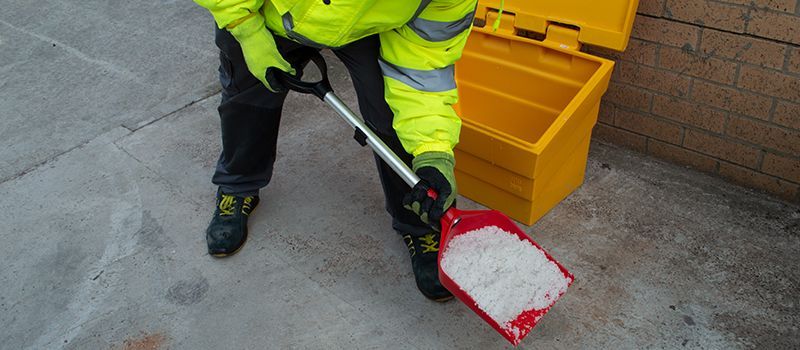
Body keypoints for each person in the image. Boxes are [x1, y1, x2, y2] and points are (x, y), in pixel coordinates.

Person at [194, 0, 477, 302]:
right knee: (247, 97)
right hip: (268, 13)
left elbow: (423, 69)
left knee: (391, 117)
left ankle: (419, 225)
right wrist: (246, 29)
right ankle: (238, 185)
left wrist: (432, 151)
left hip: (365, 26)